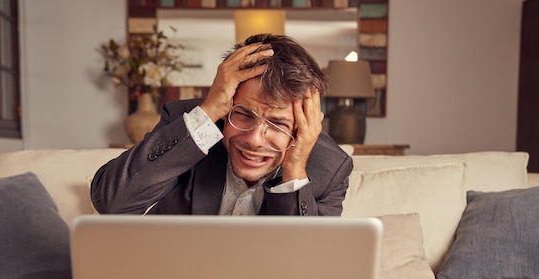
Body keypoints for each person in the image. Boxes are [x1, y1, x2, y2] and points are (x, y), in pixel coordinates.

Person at [91, 33, 353, 216]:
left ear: (301, 128)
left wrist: (294, 170)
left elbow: (307, 268)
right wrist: (208, 111)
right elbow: (112, 203)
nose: (254, 139)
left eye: (277, 123)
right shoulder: (190, 125)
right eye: (243, 115)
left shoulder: (329, 168)